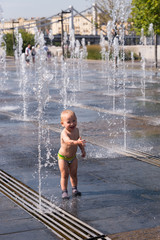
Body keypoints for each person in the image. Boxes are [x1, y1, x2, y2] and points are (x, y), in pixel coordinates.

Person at [58, 110, 86, 199]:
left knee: (74, 173)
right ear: (62, 124)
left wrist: (82, 150)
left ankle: (74, 189)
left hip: (73, 157)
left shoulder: (77, 131)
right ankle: (64, 191)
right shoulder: (64, 133)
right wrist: (77, 142)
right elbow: (68, 142)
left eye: (74, 121)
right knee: (65, 174)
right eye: (68, 122)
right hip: (63, 158)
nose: (72, 124)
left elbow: (79, 142)